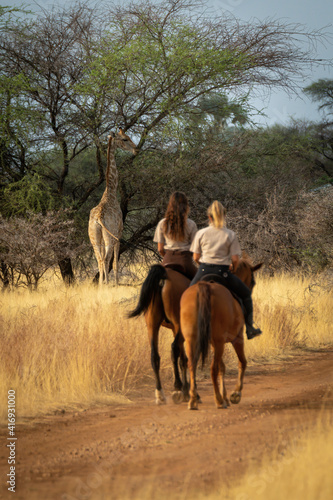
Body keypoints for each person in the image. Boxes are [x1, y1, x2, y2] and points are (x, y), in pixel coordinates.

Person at [190, 200, 262, 340]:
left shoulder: (201, 233)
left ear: (209, 217)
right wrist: (233, 268)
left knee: (187, 295)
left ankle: (183, 328)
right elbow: (235, 259)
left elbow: (195, 257)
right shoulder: (230, 234)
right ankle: (250, 328)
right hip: (223, 272)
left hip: (203, 270)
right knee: (246, 295)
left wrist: (203, 265)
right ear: (224, 216)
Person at [154, 192, 198, 280]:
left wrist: (167, 256)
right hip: (185, 260)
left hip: (168, 258)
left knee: (154, 283)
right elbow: (195, 248)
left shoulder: (162, 223)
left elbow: (160, 249)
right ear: (186, 206)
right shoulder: (191, 224)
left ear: (170, 205)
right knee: (201, 281)